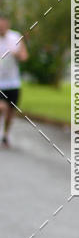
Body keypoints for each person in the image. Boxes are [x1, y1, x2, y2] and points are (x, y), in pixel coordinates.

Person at [0, 16, 28, 148]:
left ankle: (5, 135)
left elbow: (24, 56)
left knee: (10, 112)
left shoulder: (15, 37)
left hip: (13, 82)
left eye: (4, 25)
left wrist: (16, 54)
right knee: (2, 107)